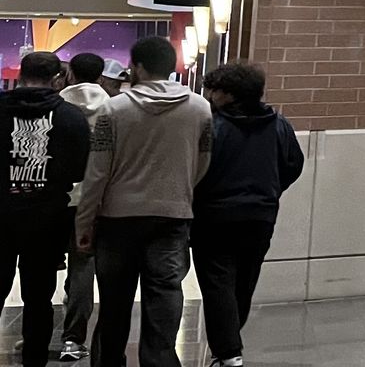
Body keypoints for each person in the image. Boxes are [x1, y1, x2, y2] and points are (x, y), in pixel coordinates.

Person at [75, 36, 212, 367]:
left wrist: (84, 224)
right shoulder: (200, 108)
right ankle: (160, 360)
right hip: (173, 216)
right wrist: (179, 189)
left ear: (135, 67)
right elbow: (203, 162)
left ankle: (109, 361)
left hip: (118, 219)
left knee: (114, 302)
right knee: (164, 296)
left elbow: (97, 173)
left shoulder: (113, 110)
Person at [193, 63, 304, 367]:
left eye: (213, 90)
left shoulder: (212, 127)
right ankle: (230, 344)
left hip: (214, 216)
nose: (210, 95)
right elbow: (294, 163)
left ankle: (228, 352)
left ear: (228, 94)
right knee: (245, 280)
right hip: (261, 215)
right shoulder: (278, 124)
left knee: (217, 282)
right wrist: (271, 189)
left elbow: (196, 170)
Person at [2, 52, 91, 367]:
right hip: (47, 217)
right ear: (58, 79)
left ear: (21, 75)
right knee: (38, 298)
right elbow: (81, 171)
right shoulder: (70, 117)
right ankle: (34, 360)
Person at [56, 53, 115, 363]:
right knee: (83, 267)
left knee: (36, 266)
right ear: (102, 76)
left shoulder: (56, 109)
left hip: (55, 200)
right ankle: (73, 339)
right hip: (94, 200)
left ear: (70, 74)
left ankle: (34, 332)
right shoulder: (113, 108)